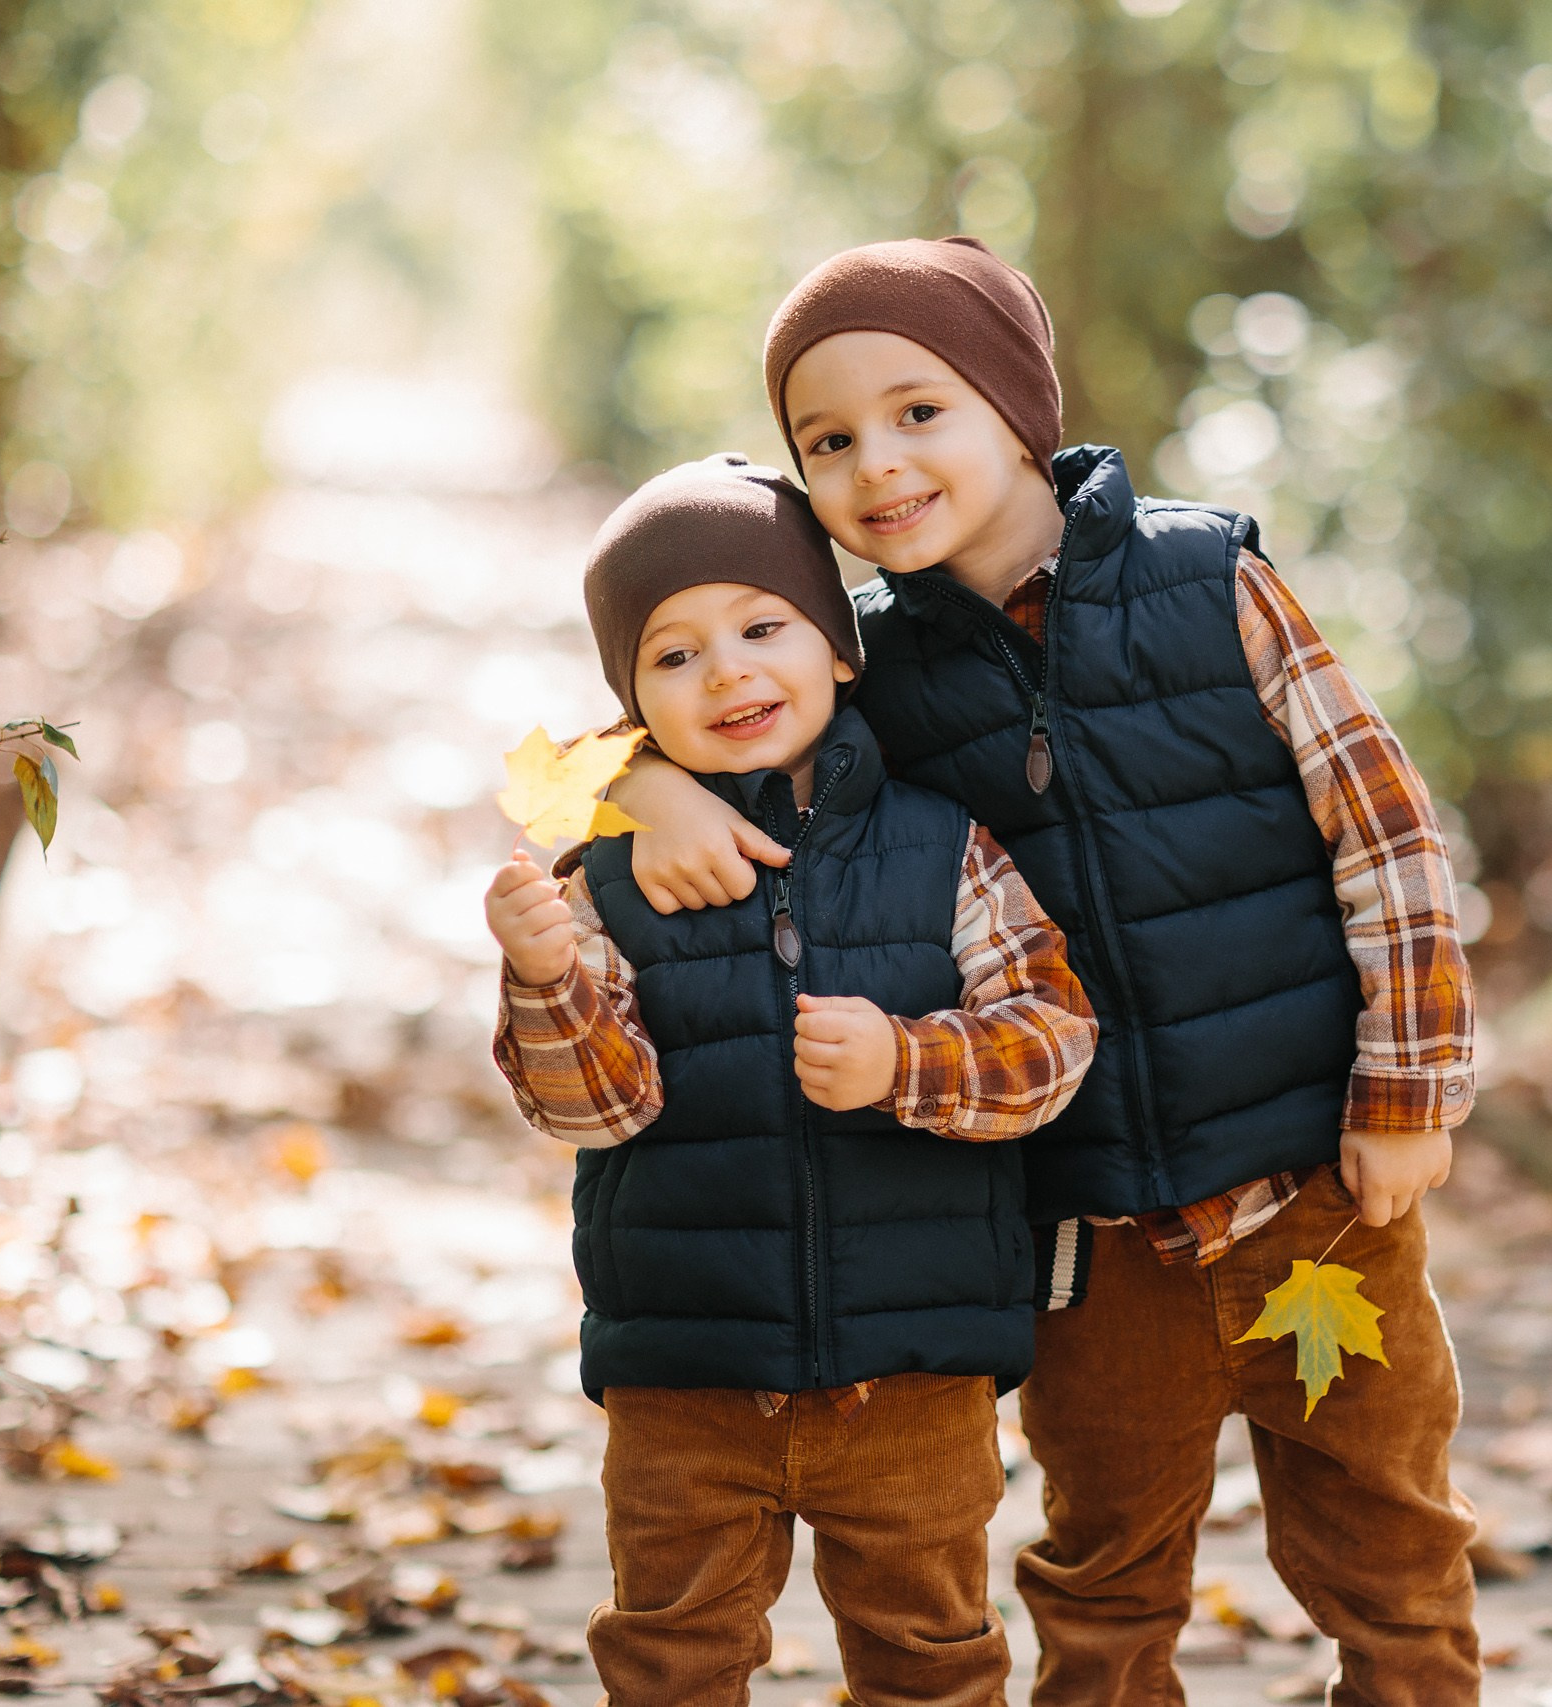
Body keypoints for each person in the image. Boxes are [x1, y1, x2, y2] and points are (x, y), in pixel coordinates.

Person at [608, 241, 1482, 1707]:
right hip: (1085, 1234)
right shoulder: (866, 668)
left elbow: (1383, 834)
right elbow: (710, 697)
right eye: (828, 442)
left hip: (1319, 1190)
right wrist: (637, 786)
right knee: (1104, 1571)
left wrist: (1410, 1086)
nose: (877, 463)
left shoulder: (1213, 582)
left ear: (1013, 403)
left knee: (1387, 1537)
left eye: (917, 411)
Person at [485, 451, 1097, 1707]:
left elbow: (1054, 1038)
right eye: (674, 654)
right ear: (632, 706)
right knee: (670, 1655)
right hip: (685, 1370)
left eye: (764, 626)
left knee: (930, 1656)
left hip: (915, 1367)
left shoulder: (945, 847)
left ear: (840, 649)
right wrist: (547, 981)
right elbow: (591, 1108)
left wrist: (904, 1061)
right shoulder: (606, 874)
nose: (728, 671)